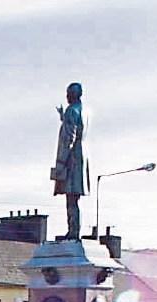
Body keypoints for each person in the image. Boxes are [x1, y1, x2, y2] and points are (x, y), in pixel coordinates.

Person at [51, 82, 89, 240]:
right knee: (74, 198)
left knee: (71, 198)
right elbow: (75, 127)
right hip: (81, 157)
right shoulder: (84, 110)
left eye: (68, 93)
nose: (66, 96)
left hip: (72, 159)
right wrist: (63, 118)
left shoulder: (71, 110)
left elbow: (69, 137)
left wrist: (61, 162)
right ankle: (74, 231)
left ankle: (73, 231)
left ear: (73, 95)